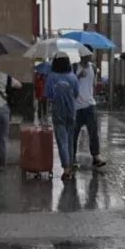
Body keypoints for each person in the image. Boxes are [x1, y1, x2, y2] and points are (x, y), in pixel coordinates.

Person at [45, 53, 80, 182]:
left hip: (58, 112)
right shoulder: (73, 77)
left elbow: (48, 95)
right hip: (72, 112)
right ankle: (69, 167)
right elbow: (76, 94)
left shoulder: (51, 77)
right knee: (70, 141)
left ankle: (66, 169)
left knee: (62, 141)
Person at [72, 55, 104, 169]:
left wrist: (91, 98)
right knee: (74, 134)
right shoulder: (75, 67)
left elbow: (93, 86)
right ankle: (72, 157)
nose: (89, 57)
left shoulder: (93, 68)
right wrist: (78, 76)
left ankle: (96, 156)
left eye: (90, 55)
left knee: (93, 132)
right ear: (81, 55)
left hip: (90, 105)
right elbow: (70, 83)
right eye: (87, 55)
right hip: (76, 107)